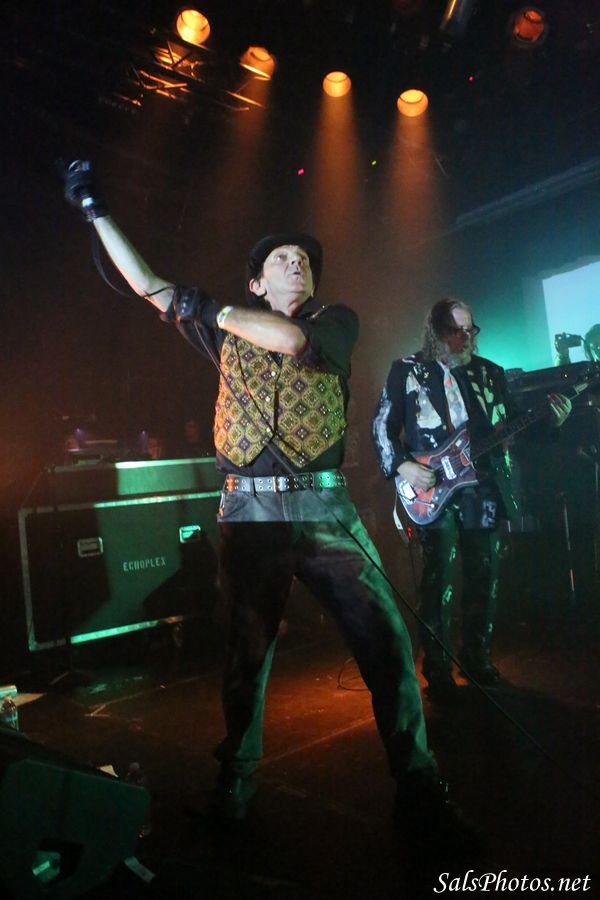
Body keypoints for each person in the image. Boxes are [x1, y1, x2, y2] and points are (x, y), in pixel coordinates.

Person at [63, 162, 477, 849]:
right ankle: (233, 790)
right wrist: (93, 207)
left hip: (325, 510)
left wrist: (211, 309)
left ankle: (419, 788)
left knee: (387, 642)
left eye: (304, 260)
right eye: (282, 259)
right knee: (245, 658)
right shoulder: (222, 334)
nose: (297, 264)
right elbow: (145, 283)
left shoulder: (335, 323)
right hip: (248, 513)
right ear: (256, 282)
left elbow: (290, 341)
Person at [372, 298, 571, 702]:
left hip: (482, 485)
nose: (465, 338)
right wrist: (403, 466)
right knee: (439, 578)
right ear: (435, 332)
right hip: (432, 486)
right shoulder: (407, 371)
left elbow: (512, 424)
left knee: (484, 572)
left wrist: (553, 421)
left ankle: (476, 658)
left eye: (470, 330)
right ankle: (438, 669)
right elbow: (381, 425)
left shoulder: (489, 373)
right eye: (455, 330)